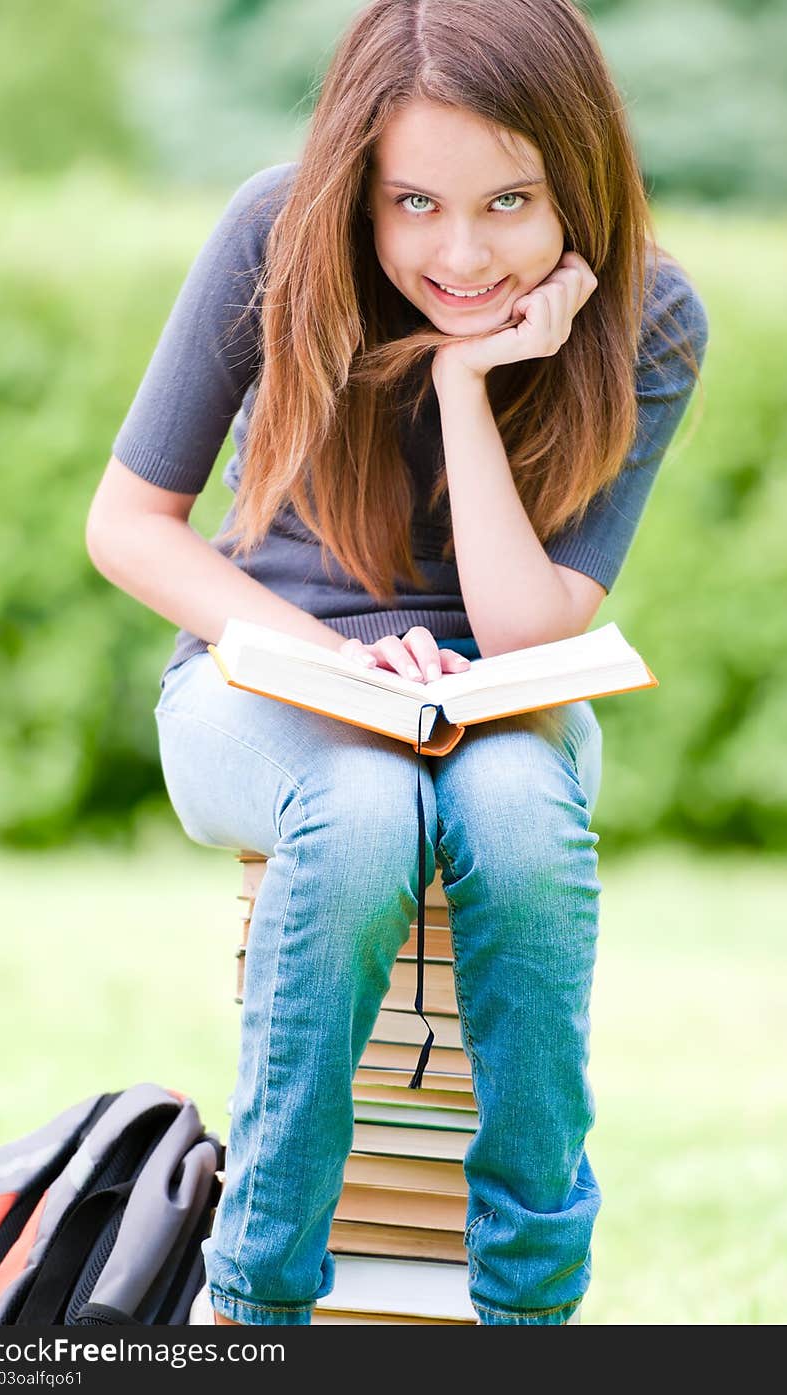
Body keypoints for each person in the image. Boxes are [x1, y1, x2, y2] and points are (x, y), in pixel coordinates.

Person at [86, 0, 708, 1326]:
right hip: (262, 686)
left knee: (526, 819)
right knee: (362, 814)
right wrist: (333, 668)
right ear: (358, 187)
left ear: (580, 181)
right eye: (414, 202)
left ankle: (531, 1310)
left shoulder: (649, 317)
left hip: (498, 696)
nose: (463, 252)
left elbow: (532, 627)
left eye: (510, 202)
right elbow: (128, 525)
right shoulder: (275, 235)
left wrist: (467, 387)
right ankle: (255, 1310)